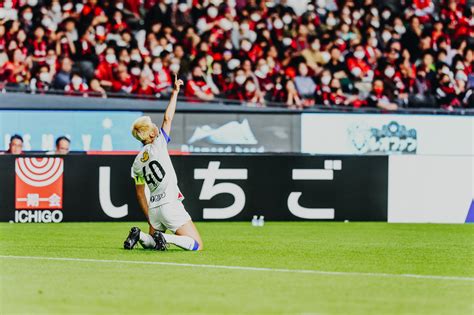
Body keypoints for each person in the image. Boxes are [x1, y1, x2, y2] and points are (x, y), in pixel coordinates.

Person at [124, 74, 203, 251]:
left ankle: (140, 235)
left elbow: (139, 193)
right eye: (152, 127)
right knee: (197, 245)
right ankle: (166, 237)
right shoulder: (159, 144)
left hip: (154, 207)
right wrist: (175, 92)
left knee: (151, 243)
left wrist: (150, 217)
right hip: (170, 203)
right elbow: (168, 118)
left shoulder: (136, 163)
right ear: (151, 134)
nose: (155, 128)